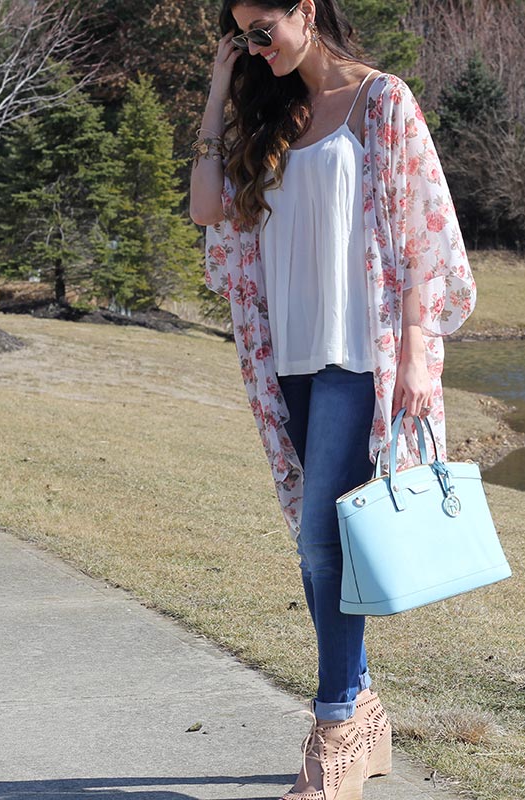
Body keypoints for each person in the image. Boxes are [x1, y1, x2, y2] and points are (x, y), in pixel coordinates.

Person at [190, 2, 476, 798]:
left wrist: (422, 348)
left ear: (306, 12)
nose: (254, 45)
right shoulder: (267, 114)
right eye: (241, 34)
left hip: (361, 357)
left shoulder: (382, 102)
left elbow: (425, 230)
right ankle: (368, 706)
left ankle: (338, 726)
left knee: (323, 542)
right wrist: (220, 90)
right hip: (287, 361)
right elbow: (207, 208)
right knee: (325, 540)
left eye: (263, 28)